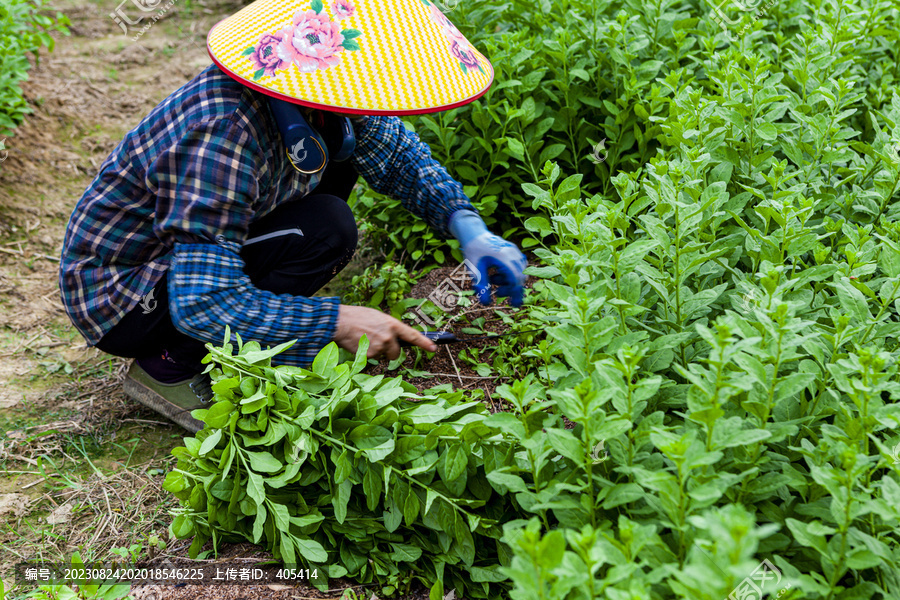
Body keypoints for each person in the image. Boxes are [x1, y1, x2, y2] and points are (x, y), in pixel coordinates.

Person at [58, 0, 527, 432]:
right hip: (125, 293)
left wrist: (470, 228)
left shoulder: (313, 94)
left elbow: (401, 157)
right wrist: (336, 322)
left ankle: (256, 326)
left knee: (334, 180)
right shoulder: (224, 129)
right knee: (327, 227)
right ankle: (169, 364)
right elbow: (202, 300)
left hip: (184, 255)